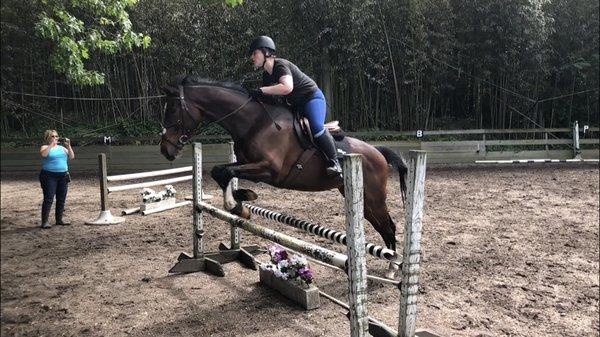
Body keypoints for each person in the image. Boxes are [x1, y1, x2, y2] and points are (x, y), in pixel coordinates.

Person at [247, 35, 343, 177]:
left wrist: (261, 90)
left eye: (255, 53)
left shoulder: (281, 65)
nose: (252, 57)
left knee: (316, 127)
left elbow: (287, 88)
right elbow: (268, 99)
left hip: (312, 98)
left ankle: (335, 162)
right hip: (295, 105)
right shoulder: (266, 76)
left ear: (265, 52)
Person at [39, 130, 74, 229]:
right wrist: (51, 145)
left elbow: (72, 157)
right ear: (48, 138)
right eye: (52, 136)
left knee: (61, 199)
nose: (55, 138)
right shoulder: (45, 147)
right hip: (48, 176)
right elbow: (44, 155)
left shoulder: (62, 148)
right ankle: (44, 222)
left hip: (63, 176)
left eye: (56, 136)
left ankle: (59, 220)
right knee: (49, 198)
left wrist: (68, 146)